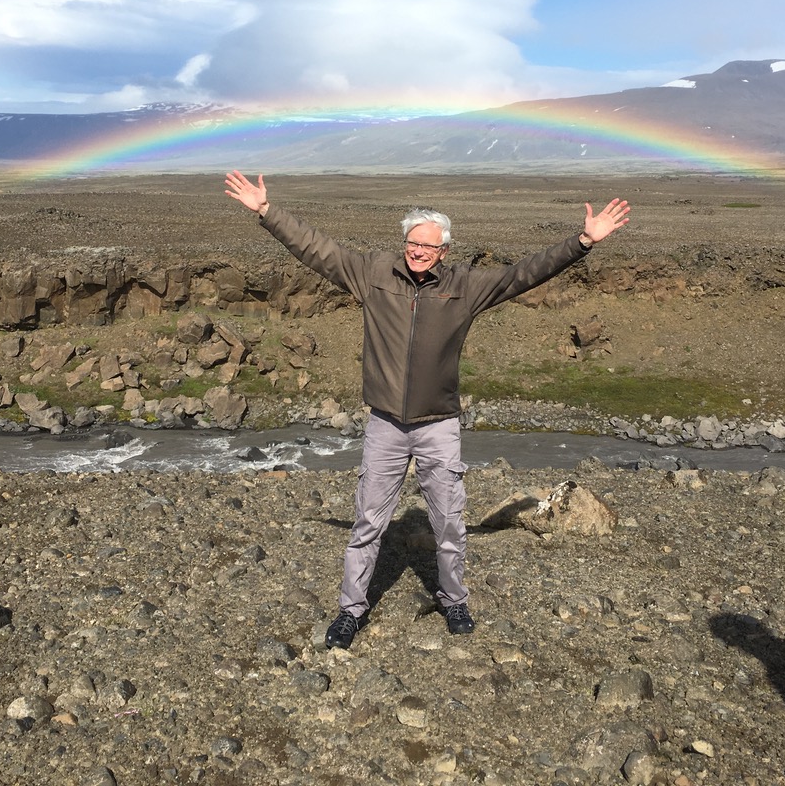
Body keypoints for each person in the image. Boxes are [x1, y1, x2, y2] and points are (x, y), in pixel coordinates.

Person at [224, 170, 630, 649]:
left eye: (428, 246)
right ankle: (350, 612)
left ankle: (453, 600)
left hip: (438, 425)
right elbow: (316, 248)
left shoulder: (465, 287)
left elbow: (526, 272)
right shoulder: (373, 274)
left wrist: (583, 241)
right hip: (385, 425)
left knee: (450, 521)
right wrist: (268, 213)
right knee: (367, 523)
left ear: (445, 251)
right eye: (412, 243)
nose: (417, 252)